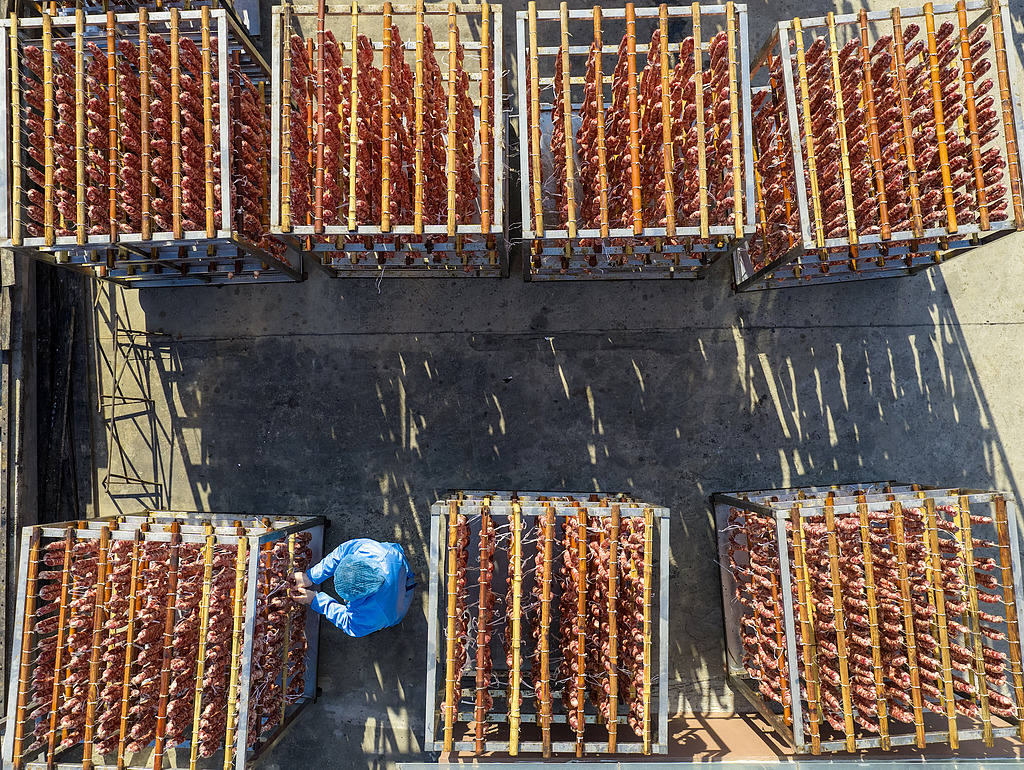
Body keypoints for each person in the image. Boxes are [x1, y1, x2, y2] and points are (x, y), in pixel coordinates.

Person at [291, 538, 415, 637]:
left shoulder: (373, 615)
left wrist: (315, 600)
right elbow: (343, 552)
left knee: (383, 619)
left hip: (394, 609)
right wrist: (311, 576)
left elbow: (349, 624)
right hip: (401, 570)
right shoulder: (374, 551)